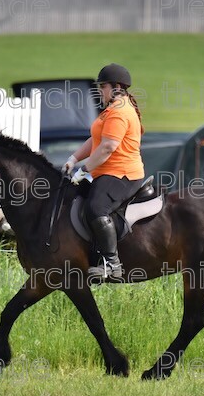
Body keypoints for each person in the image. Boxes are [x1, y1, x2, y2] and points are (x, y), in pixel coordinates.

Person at [62, 63, 145, 280]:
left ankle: (112, 264)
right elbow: (95, 139)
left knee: (96, 208)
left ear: (117, 87)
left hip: (122, 174)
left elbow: (108, 147)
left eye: (103, 86)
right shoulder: (111, 109)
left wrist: (84, 170)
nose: (100, 90)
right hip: (106, 172)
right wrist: (74, 158)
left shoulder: (119, 112)